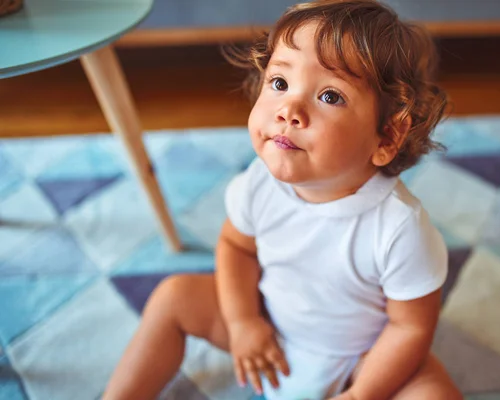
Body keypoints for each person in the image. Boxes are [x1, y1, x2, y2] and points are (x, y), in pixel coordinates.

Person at [102, 0, 462, 398]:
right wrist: (243, 323)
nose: (289, 109)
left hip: (360, 363)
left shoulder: (400, 227)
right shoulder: (258, 184)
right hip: (271, 331)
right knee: (175, 296)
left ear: (387, 137)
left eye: (330, 96)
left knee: (433, 393)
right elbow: (236, 247)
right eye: (279, 83)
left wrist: (362, 394)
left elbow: (410, 327)